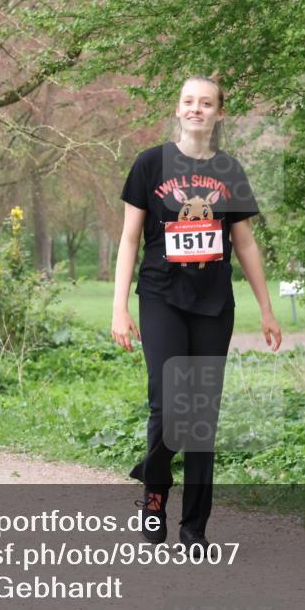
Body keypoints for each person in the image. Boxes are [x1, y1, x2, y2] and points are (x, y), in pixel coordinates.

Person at [112, 75, 282, 549]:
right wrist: (119, 307)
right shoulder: (150, 164)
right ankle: (153, 495)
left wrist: (267, 309)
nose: (196, 109)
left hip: (213, 305)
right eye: (189, 101)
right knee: (168, 408)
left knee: (201, 413)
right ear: (178, 109)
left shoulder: (230, 170)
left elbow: (244, 242)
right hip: (161, 297)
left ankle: (195, 528)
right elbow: (129, 239)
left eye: (206, 103)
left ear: (218, 113)